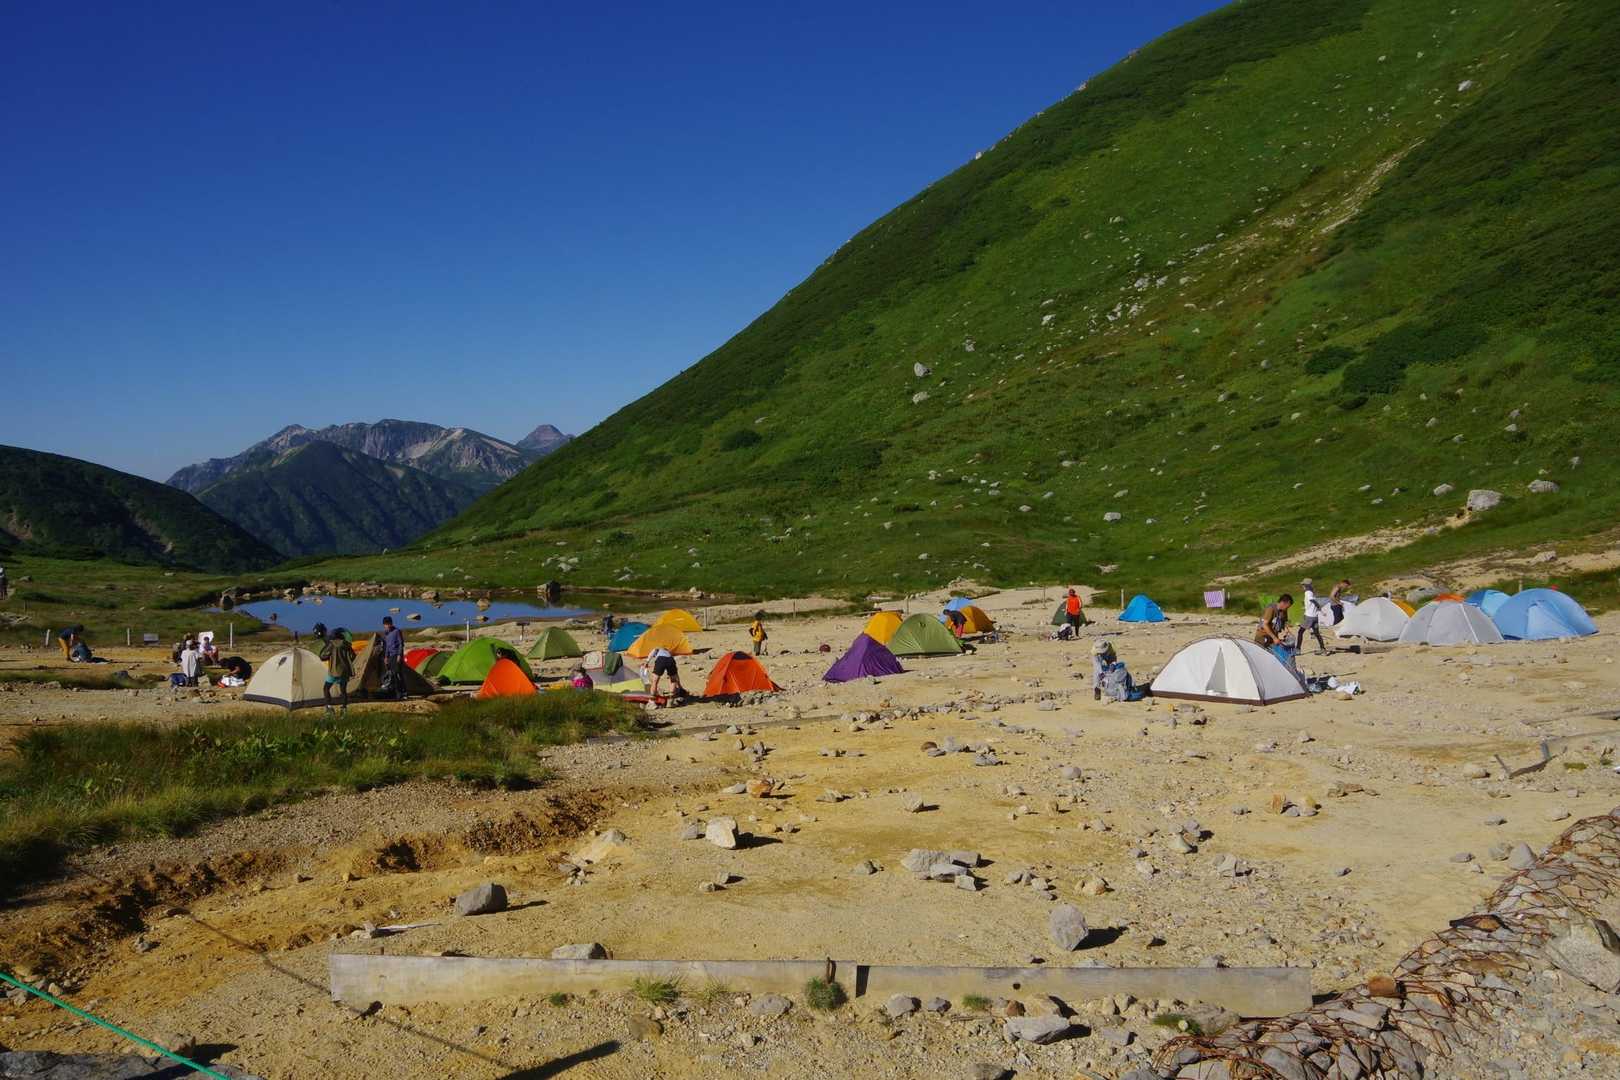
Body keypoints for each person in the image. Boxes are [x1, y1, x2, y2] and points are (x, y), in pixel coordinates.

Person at [319, 627, 354, 717]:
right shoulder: (347, 644)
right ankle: (344, 709)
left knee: (326, 688)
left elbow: (322, 656)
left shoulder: (332, 644)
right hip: (345, 671)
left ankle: (329, 708)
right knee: (343, 691)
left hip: (334, 671)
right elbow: (353, 656)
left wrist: (328, 657)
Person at [1255, 594, 1294, 664]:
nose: (1288, 608)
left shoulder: (1284, 611)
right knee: (1259, 658)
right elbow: (1264, 625)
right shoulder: (1271, 609)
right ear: (1283, 603)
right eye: (1287, 606)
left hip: (1273, 637)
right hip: (1262, 636)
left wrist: (1287, 631)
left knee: (1272, 658)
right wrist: (1274, 638)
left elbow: (1284, 623)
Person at [1296, 579, 1326, 655]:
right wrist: (1319, 609)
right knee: (1317, 633)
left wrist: (1319, 607)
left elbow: (1312, 600)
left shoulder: (1307, 592)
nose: (1302, 586)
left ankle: (1298, 650)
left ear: (1306, 585)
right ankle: (1323, 649)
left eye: (1303, 585)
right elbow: (1311, 602)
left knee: (1300, 632)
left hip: (1309, 617)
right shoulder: (1312, 592)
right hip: (1315, 616)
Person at [381, 616, 406, 700]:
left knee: (398, 674)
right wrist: (386, 657)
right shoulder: (386, 634)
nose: (387, 626)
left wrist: (399, 655)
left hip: (396, 655)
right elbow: (387, 647)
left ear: (391, 624)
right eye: (385, 624)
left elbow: (401, 644)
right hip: (390, 656)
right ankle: (396, 693)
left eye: (388, 624)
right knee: (392, 674)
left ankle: (403, 693)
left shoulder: (397, 631)